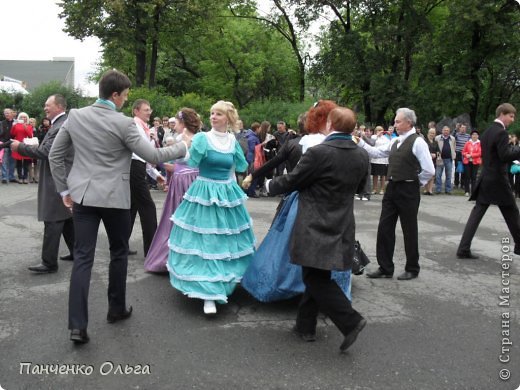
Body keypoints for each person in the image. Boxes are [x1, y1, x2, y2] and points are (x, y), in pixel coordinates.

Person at [48, 70, 189, 344]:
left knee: (83, 258)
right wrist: (182, 147)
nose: (125, 100)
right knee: (119, 252)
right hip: (115, 198)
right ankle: (116, 308)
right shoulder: (124, 124)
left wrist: (64, 189)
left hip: (83, 197)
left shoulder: (75, 116)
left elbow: (55, 155)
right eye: (125, 96)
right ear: (115, 94)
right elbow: (153, 155)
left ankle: (77, 326)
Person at [265, 107, 368, 352]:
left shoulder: (318, 152)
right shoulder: (361, 154)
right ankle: (305, 327)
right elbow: (362, 187)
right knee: (318, 273)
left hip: (314, 221)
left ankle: (350, 320)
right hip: (342, 221)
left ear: (330, 124)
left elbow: (294, 180)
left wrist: (270, 184)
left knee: (313, 276)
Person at [241, 100, 355, 303]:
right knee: (323, 247)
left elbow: (277, 165)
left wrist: (255, 177)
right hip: (333, 204)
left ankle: (298, 286)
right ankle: (318, 291)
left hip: (301, 200)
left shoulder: (301, 144)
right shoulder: (343, 144)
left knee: (293, 245)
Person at [167, 100, 255, 315]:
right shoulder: (202, 138)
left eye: (218, 114)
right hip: (204, 192)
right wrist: (181, 146)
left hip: (226, 193)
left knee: (225, 242)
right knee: (206, 242)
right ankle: (208, 293)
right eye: (212, 113)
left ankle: (226, 282)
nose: (213, 117)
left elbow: (241, 166)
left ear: (228, 118)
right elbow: (191, 162)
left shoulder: (233, 140)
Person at [360, 108, 435, 280]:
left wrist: (414, 183)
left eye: (398, 121)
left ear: (409, 122)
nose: (394, 124)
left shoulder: (418, 142)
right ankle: (385, 267)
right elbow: (376, 152)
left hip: (408, 188)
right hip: (392, 188)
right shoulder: (395, 142)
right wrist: (360, 142)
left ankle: (412, 268)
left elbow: (429, 169)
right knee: (384, 227)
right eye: (395, 121)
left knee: (409, 229)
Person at [10, 94, 75, 274]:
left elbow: (47, 151)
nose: (45, 108)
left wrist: (20, 147)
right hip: (61, 176)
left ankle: (49, 263)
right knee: (66, 218)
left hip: (57, 178)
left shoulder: (61, 125)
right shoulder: (60, 123)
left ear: (59, 107)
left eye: (48, 105)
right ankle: (77, 252)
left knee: (53, 218)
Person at [457, 103, 520, 259]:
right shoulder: (501, 133)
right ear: (502, 114)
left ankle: (463, 249)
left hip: (485, 177)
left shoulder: (487, 132)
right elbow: (504, 155)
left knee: (477, 213)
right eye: (511, 116)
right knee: (512, 212)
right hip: (498, 180)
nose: (512, 120)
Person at [144, 108, 201, 273]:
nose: (173, 126)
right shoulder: (191, 138)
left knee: (182, 218)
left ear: (182, 123)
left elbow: (181, 163)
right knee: (188, 218)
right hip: (188, 179)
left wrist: (163, 166)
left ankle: (181, 257)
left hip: (185, 180)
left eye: (175, 123)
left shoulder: (185, 139)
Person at [129, 99, 165, 257]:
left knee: (132, 208)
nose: (150, 112)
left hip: (137, 167)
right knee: (148, 208)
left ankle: (120, 245)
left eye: (150, 109)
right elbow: (143, 154)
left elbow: (145, 158)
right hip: (134, 168)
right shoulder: (135, 126)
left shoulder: (144, 127)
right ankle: (151, 249)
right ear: (136, 111)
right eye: (146, 110)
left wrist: (156, 175)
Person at [10, 112, 34, 184]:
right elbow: (12, 135)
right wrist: (13, 126)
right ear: (19, 118)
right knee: (19, 162)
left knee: (26, 162)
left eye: (24, 117)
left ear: (27, 118)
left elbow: (30, 136)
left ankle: (25, 178)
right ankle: (20, 177)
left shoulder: (29, 126)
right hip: (17, 145)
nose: (23, 119)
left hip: (26, 145)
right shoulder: (16, 125)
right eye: (21, 117)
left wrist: (25, 127)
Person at [434, 126, 456, 194]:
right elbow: (435, 147)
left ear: (449, 131)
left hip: (449, 159)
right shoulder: (437, 138)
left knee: (448, 175)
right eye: (444, 130)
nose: (446, 131)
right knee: (438, 175)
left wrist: (453, 155)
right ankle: (438, 189)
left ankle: (448, 190)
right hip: (440, 159)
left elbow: (454, 147)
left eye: (447, 130)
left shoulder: (452, 138)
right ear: (442, 131)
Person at [461, 130, 481, 196]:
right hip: (467, 161)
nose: (474, 136)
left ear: (478, 136)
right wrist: (466, 154)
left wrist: (472, 155)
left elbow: (480, 153)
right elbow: (463, 151)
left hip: (475, 162)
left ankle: (473, 191)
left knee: (474, 177)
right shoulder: (467, 143)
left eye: (476, 135)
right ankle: (466, 191)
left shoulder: (480, 143)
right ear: (471, 135)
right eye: (473, 134)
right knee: (467, 176)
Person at [1, 108, 16, 183]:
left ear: (12, 113)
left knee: (12, 161)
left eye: (8, 112)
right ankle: (4, 177)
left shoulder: (16, 123)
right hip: (4, 145)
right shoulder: (1, 123)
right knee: (4, 161)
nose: (6, 114)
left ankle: (11, 177)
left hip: (13, 144)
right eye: (5, 113)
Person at [424, 128, 439, 195]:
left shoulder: (436, 142)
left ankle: (430, 190)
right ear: (428, 133)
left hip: (433, 160)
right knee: (426, 175)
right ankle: (426, 189)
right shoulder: (424, 141)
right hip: (426, 160)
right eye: (431, 133)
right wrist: (430, 154)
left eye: (433, 133)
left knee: (432, 175)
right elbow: (423, 150)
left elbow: (438, 151)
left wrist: (437, 154)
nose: (432, 134)